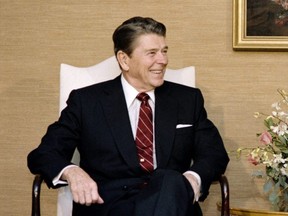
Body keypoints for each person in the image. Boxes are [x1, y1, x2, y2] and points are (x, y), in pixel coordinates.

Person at [27, 16, 229, 216]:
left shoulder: (187, 99)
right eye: (152, 53)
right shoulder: (87, 101)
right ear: (124, 59)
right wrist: (72, 171)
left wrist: (194, 178)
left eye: (164, 51)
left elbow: (214, 154)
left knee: (170, 180)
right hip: (109, 205)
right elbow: (44, 154)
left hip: (171, 199)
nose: (163, 60)